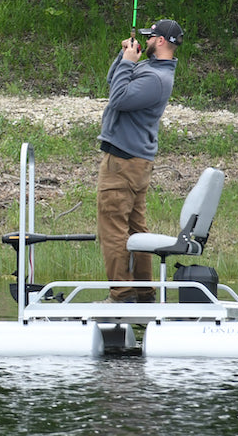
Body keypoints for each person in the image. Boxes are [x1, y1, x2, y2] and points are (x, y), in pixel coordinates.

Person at [95, 18, 183, 303]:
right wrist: (123, 59)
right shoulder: (151, 69)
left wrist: (127, 64)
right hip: (134, 162)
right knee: (136, 230)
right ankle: (144, 293)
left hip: (123, 163)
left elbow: (117, 99)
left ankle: (121, 294)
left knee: (112, 230)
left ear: (159, 42)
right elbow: (113, 82)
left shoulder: (156, 79)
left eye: (149, 38)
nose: (144, 42)